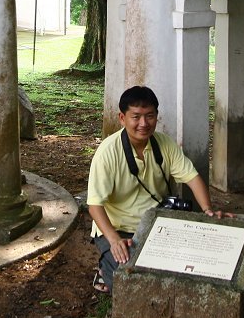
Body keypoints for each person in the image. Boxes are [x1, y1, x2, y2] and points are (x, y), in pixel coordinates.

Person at [86, 85, 221, 293]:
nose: (143, 123)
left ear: (157, 116)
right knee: (128, 283)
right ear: (122, 118)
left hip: (157, 223)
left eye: (150, 116)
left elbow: (192, 177)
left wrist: (207, 211)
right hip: (119, 228)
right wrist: (114, 240)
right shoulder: (107, 152)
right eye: (136, 116)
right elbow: (95, 206)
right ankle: (104, 270)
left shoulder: (164, 144)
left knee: (190, 265)